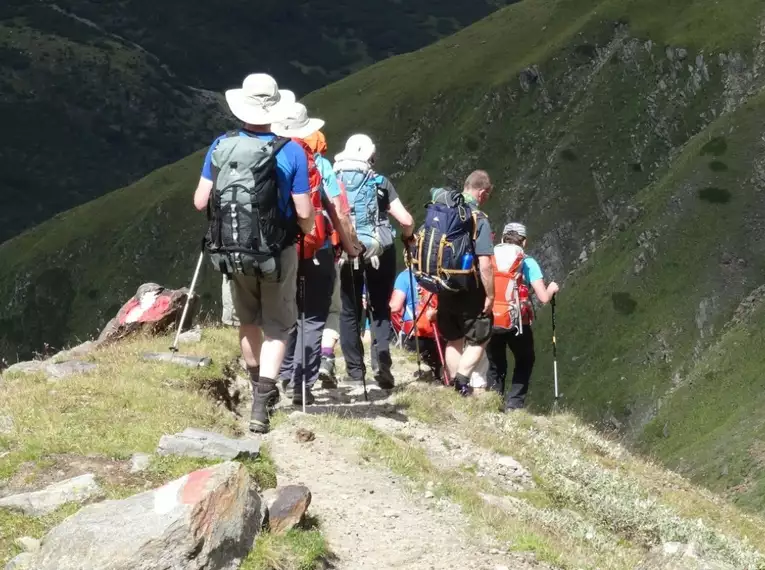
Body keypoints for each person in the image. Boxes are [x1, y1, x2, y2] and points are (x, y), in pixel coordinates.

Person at [193, 73, 313, 434]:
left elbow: (200, 201)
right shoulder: (290, 150)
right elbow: (304, 213)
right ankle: (263, 401)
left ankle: (254, 385)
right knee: (278, 326)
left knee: (248, 321)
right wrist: (303, 232)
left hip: (232, 250)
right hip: (277, 251)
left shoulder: (221, 144)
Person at [273, 102, 362, 405]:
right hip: (318, 248)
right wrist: (349, 247)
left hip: (281, 248)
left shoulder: (271, 156)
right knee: (312, 317)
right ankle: (304, 382)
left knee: (285, 312)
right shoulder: (316, 164)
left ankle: (284, 373)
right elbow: (333, 208)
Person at [334, 134, 415, 389]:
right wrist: (408, 238)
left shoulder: (335, 181)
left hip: (347, 252)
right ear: (371, 156)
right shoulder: (380, 182)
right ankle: (381, 364)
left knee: (349, 310)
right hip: (380, 251)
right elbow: (406, 220)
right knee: (379, 307)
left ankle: (355, 372)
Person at [434, 170, 495, 396]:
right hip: (470, 288)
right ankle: (461, 381)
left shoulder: (443, 210)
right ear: (481, 192)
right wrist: (490, 295)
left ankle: (454, 388)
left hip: (444, 285)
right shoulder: (478, 218)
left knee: (453, 337)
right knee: (481, 335)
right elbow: (485, 263)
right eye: (487, 195)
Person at [487, 222, 559, 411]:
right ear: (524, 241)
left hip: (490, 318)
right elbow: (543, 297)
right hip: (517, 321)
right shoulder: (526, 261)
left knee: (495, 362)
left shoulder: (489, 257)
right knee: (525, 359)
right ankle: (514, 404)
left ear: (502, 238)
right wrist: (551, 289)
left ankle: (493, 402)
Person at [389, 269, 442, 381]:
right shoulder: (440, 274)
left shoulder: (404, 276)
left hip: (415, 337)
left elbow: (395, 306)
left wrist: (377, 307)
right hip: (441, 337)